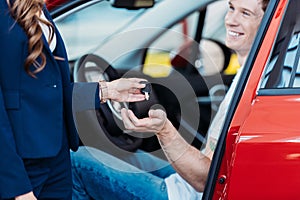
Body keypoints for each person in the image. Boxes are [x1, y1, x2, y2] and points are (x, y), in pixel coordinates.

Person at [70, 0, 270, 199]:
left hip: (191, 193)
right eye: (231, 8)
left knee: (76, 162)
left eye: (245, 14)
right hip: (187, 184)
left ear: (268, 24)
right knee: (116, 155)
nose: (231, 20)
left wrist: (163, 129)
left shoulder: (256, 89)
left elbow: (204, 179)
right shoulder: (250, 74)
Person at [0, 0, 148, 199]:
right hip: (20, 165)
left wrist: (107, 90)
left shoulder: (39, 7)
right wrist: (18, 188)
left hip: (57, 158)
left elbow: (49, 90)